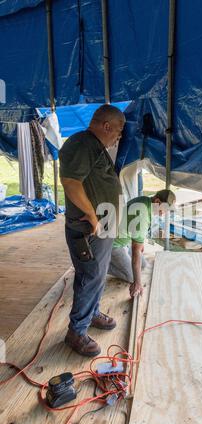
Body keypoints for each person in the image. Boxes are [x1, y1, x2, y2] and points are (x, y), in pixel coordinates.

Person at [59, 104, 125, 357]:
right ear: (106, 125)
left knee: (98, 274)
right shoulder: (82, 143)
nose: (118, 136)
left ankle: (92, 312)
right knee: (89, 276)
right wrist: (91, 215)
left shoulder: (94, 146)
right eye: (117, 131)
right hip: (89, 228)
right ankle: (76, 331)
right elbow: (71, 183)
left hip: (101, 226)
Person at [108, 189, 176, 298]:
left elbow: (137, 231)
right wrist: (138, 283)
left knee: (143, 265)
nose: (164, 214)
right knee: (131, 277)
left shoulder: (146, 201)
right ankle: (101, 263)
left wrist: (140, 242)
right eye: (165, 209)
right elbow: (136, 251)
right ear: (158, 202)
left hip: (125, 240)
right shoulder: (143, 214)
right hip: (113, 244)